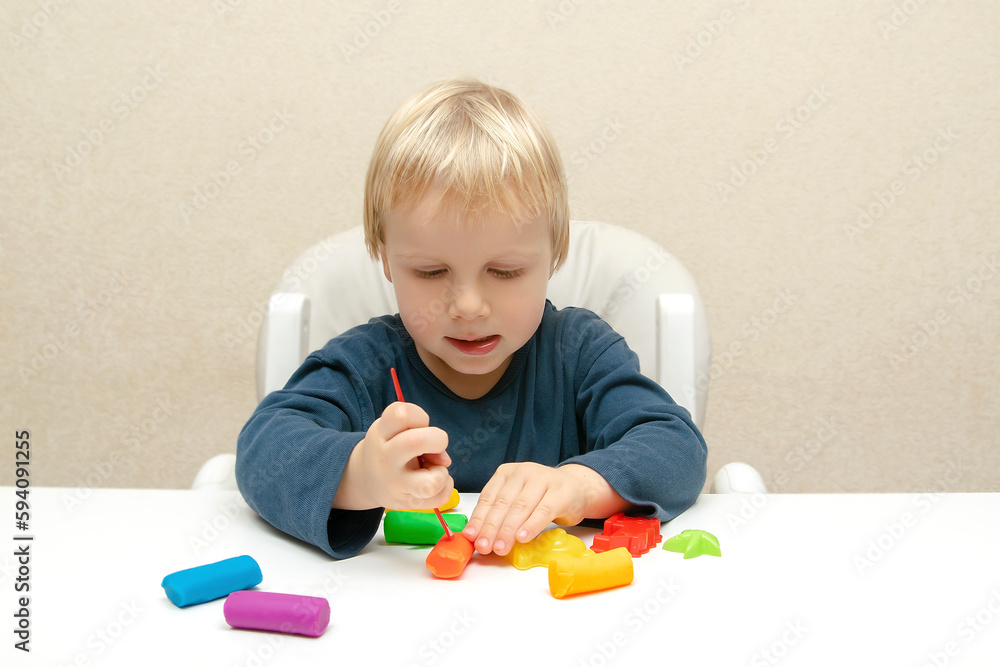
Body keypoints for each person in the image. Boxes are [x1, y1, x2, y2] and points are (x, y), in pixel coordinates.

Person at [236, 79, 707, 559]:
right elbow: (262, 451)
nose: (467, 306)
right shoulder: (363, 365)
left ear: (555, 255)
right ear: (385, 259)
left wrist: (580, 486)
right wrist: (360, 475)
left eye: (504, 272)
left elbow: (676, 449)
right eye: (430, 271)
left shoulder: (580, 354)